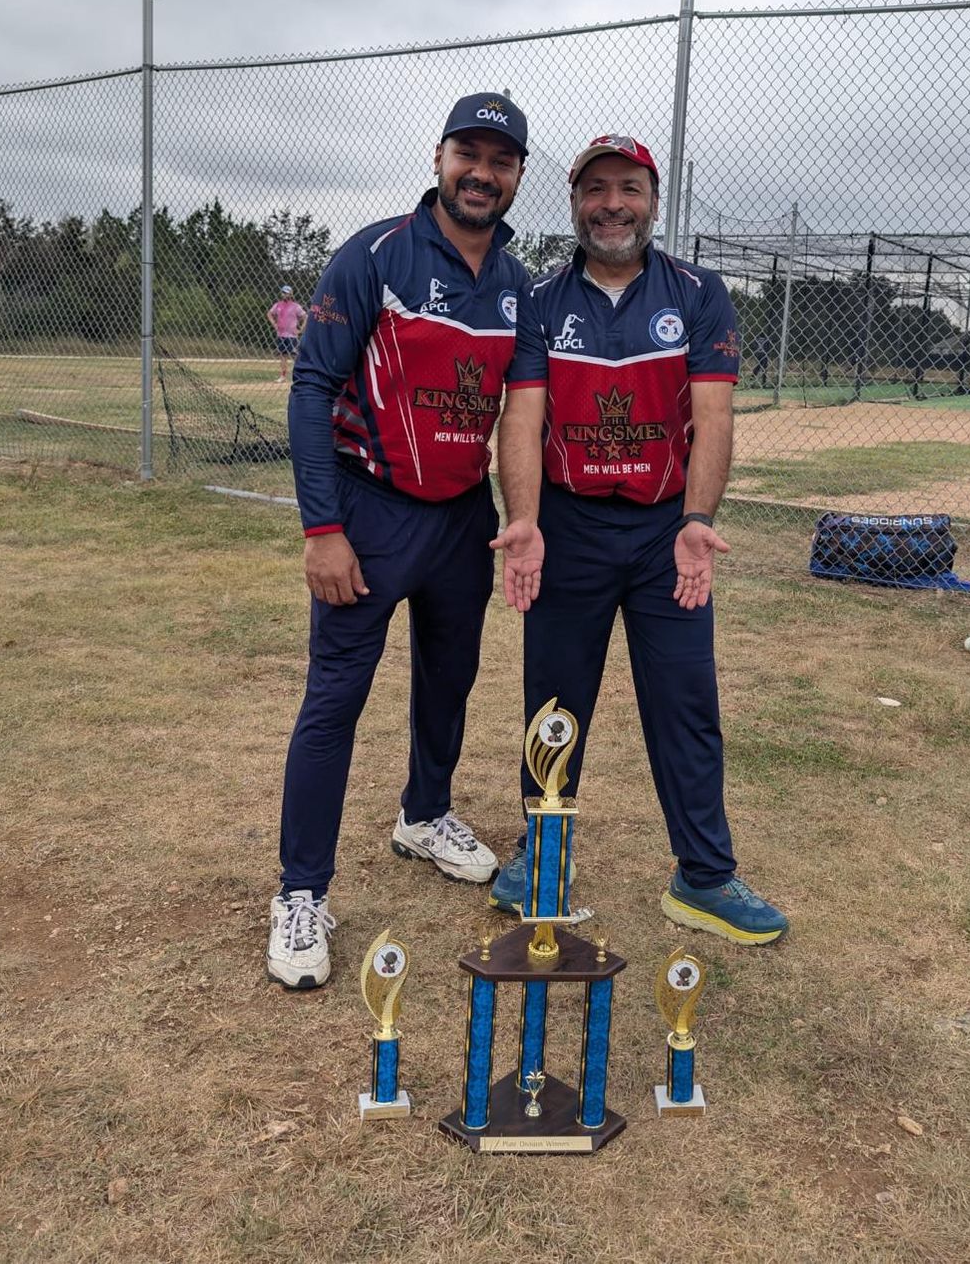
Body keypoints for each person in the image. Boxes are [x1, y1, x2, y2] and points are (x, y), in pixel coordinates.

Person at [489, 133, 788, 946]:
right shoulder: (540, 301)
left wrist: (697, 521)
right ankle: (545, 856)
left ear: (654, 201)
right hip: (570, 525)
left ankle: (704, 874)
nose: (612, 204)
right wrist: (525, 518)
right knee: (554, 703)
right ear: (575, 202)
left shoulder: (697, 293)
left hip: (665, 533)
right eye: (596, 189)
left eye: (629, 187)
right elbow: (524, 416)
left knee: (686, 701)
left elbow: (714, 416)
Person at [266, 93, 533, 989]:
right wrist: (322, 528)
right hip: (370, 509)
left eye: (500, 160)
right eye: (469, 154)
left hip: (462, 518)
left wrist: (518, 517)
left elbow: (524, 411)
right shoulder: (375, 255)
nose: (481, 173)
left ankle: (424, 814)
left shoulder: (518, 283)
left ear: (517, 175)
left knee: (450, 677)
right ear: (440, 157)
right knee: (335, 697)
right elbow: (311, 388)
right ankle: (301, 891)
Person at [267, 285, 308, 383]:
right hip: (281, 334)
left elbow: (305, 316)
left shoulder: (295, 306)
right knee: (283, 355)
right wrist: (274, 324)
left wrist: (300, 329)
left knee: (295, 355)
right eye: (283, 293)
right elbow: (269, 314)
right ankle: (283, 376)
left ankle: (300, 375)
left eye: (286, 293)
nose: (284, 295)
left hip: (292, 336)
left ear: (291, 294)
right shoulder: (278, 305)